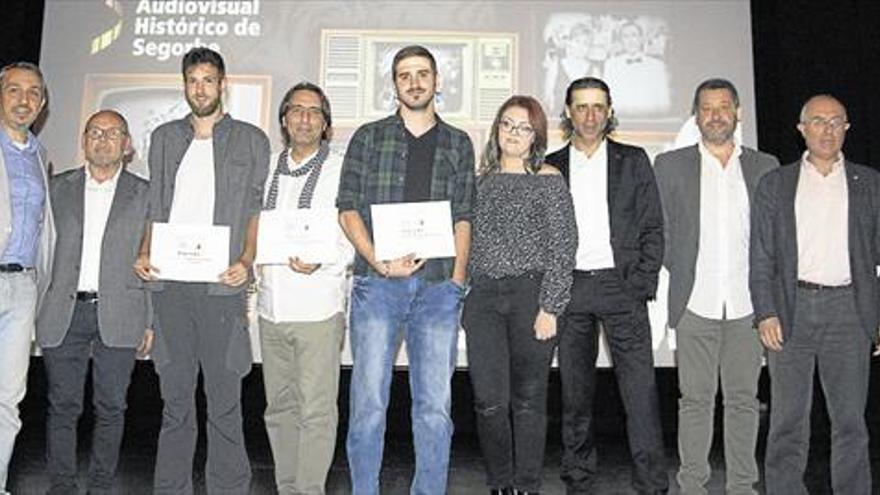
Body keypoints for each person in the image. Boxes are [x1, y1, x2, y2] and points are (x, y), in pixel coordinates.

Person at [336, 44, 475, 494]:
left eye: (422, 74)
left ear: (436, 81)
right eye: (404, 75)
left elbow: (464, 216)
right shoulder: (368, 137)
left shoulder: (458, 142)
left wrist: (457, 279)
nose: (414, 82)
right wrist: (380, 261)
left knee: (435, 407)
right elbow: (347, 209)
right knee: (369, 403)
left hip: (438, 290)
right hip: (377, 285)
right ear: (394, 84)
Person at [133, 47, 270, 494]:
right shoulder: (165, 139)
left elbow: (255, 211)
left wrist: (246, 262)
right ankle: (171, 488)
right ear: (185, 86)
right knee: (175, 404)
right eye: (193, 80)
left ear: (222, 84)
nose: (200, 88)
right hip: (171, 289)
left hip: (221, 291)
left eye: (208, 80)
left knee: (225, 402)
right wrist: (144, 253)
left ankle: (228, 488)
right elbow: (156, 207)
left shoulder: (252, 140)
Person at [654, 79, 778, 495]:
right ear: (696, 115)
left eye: (724, 106)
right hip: (695, 303)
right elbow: (662, 233)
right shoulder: (670, 166)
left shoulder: (765, 166)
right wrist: (683, 271)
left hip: (748, 305)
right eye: (707, 108)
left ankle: (743, 485)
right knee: (694, 401)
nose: (716, 115)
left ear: (738, 112)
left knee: (744, 400)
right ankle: (693, 486)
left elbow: (773, 238)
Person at [545, 77, 668, 495]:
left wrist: (641, 282)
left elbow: (653, 224)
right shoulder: (550, 165)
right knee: (575, 396)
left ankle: (652, 482)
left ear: (610, 110)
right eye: (581, 107)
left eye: (598, 107)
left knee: (640, 395)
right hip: (571, 289)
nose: (590, 115)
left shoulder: (634, 160)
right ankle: (578, 476)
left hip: (622, 288)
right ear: (567, 112)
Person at [750, 94, 878, 495]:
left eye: (836, 121)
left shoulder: (870, 183)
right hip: (792, 310)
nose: (827, 129)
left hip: (850, 312)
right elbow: (760, 255)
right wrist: (765, 312)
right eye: (818, 121)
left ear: (847, 129)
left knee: (851, 424)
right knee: (787, 421)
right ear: (802, 129)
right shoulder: (776, 182)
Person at [462, 95, 577, 495]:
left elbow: (564, 248)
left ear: (536, 136)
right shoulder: (477, 183)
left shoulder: (549, 179)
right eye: (507, 124)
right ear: (496, 130)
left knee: (528, 400)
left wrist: (551, 307)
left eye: (523, 127)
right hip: (483, 301)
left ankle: (527, 485)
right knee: (488, 401)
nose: (513, 133)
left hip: (532, 297)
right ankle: (499, 484)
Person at [37, 110, 153, 494]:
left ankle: (101, 486)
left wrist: (150, 320)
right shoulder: (56, 187)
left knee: (112, 408)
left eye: (112, 133)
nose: (103, 139)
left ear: (127, 144)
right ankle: (62, 487)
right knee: (62, 407)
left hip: (120, 312)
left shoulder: (147, 194)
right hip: (63, 313)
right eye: (94, 132)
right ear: (84, 141)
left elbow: (155, 259)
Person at [256, 82, 353, 494]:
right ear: (283, 119)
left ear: (326, 124)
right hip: (270, 308)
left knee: (316, 411)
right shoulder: (265, 168)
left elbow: (354, 229)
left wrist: (325, 256)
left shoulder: (342, 167)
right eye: (296, 110)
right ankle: (287, 486)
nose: (304, 118)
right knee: (279, 409)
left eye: (314, 112)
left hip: (318, 305)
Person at [0, 61, 54, 494]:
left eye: (33, 92)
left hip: (22, 287)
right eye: (15, 90)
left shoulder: (40, 154)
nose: (24, 100)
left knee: (8, 397)